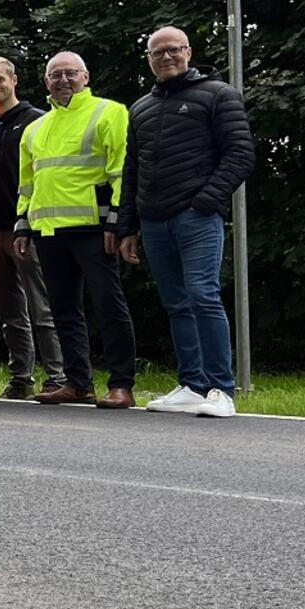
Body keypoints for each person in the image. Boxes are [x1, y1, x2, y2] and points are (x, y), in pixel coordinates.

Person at [117, 27, 255, 419]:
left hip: (196, 217)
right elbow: (132, 170)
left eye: (173, 50)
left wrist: (206, 202)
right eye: (157, 52)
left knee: (202, 294)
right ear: (148, 58)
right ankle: (193, 385)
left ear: (188, 52)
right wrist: (127, 227)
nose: (165, 57)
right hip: (153, 221)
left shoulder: (218, 94)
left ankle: (221, 390)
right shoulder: (140, 107)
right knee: (176, 302)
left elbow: (241, 154)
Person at [14, 51, 137, 409]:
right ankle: (78, 383)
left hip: (95, 228)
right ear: (46, 81)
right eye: (55, 75)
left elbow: (120, 171)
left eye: (70, 73)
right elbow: (27, 184)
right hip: (49, 231)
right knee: (63, 310)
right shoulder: (35, 128)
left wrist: (118, 220)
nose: (63, 80)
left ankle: (121, 384)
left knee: (108, 303)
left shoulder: (109, 111)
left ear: (86, 76)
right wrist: (22, 226)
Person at [0, 57, 66, 400]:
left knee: (42, 306)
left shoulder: (37, 121)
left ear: (14, 80)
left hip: (26, 227)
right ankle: (21, 377)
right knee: (9, 312)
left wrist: (34, 222)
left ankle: (57, 376)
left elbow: (46, 175)